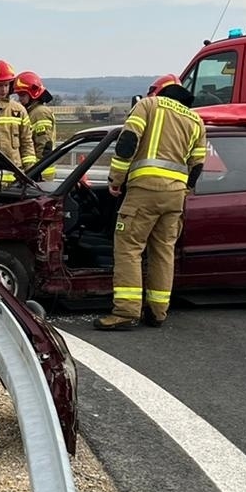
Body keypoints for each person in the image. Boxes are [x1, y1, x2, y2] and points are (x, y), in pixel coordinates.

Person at [92, 74, 207, 331]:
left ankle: (125, 312)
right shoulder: (195, 119)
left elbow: (127, 142)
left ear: (158, 91)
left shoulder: (148, 106)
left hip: (144, 190)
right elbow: (198, 164)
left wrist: (116, 180)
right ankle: (157, 312)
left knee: (129, 249)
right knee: (163, 252)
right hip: (175, 196)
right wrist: (184, 189)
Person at [14, 69, 59, 181]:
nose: (20, 99)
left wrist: (36, 172)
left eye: (23, 95)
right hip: (35, 171)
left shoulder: (40, 113)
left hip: (41, 173)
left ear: (32, 93)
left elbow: (43, 147)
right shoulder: (31, 112)